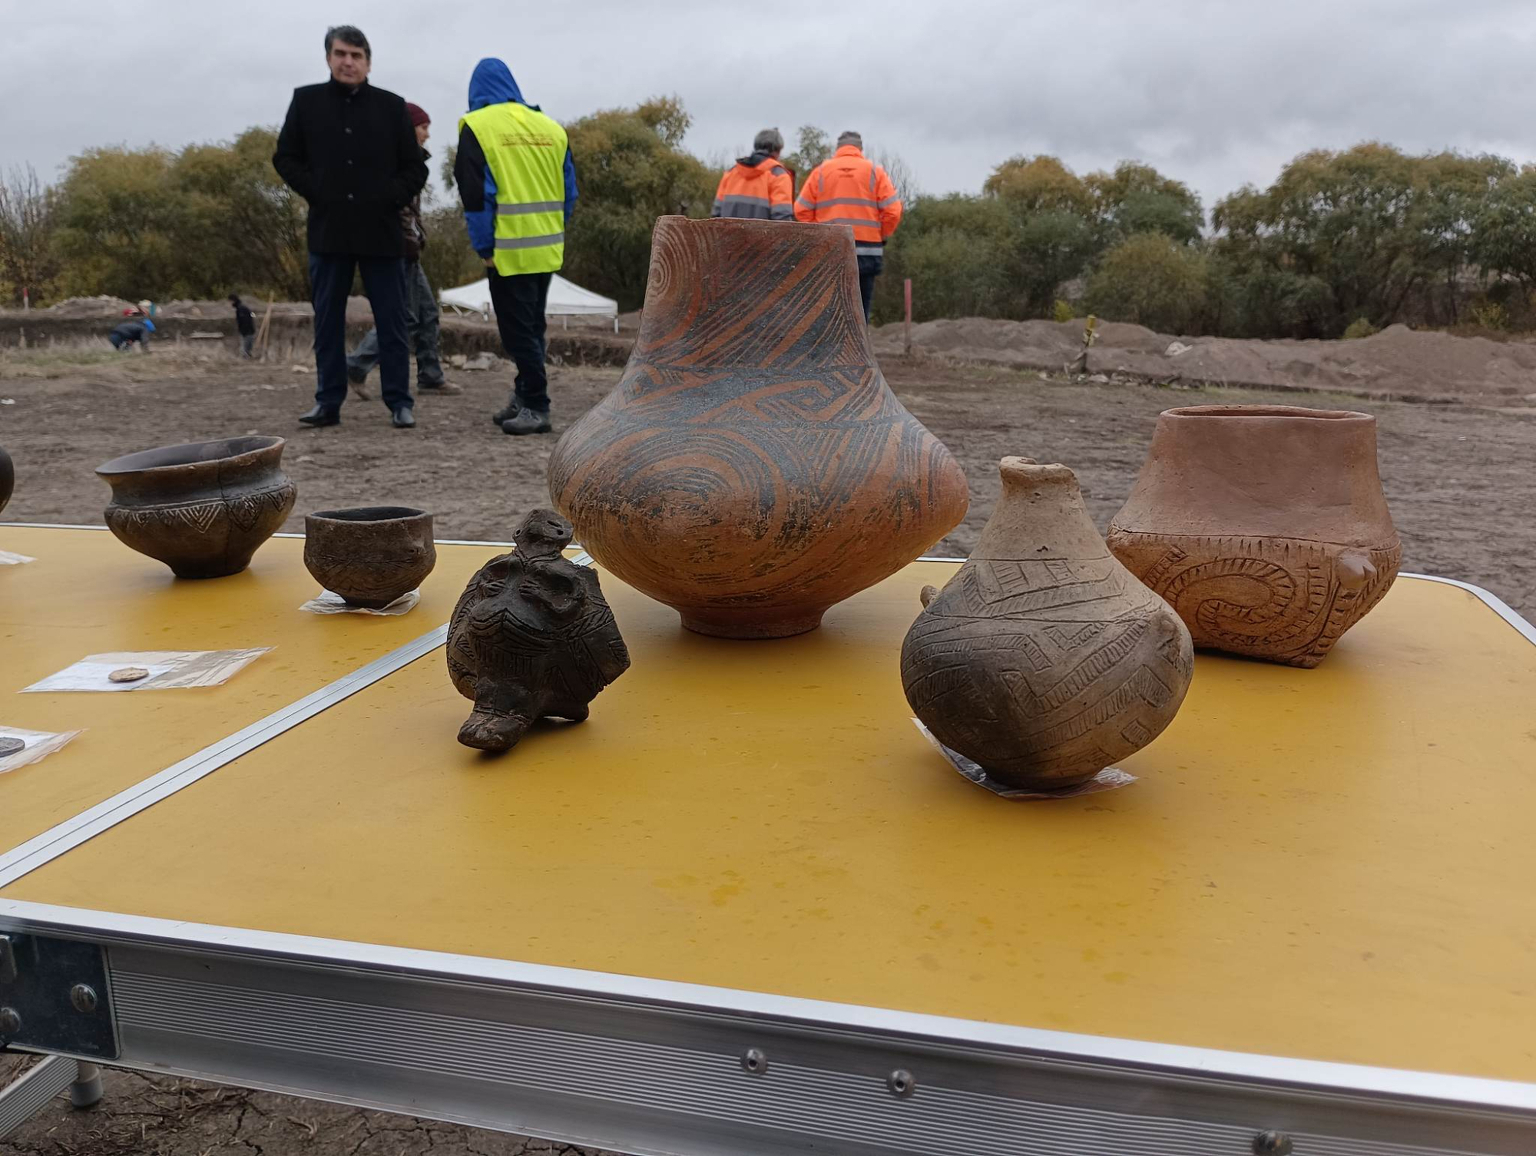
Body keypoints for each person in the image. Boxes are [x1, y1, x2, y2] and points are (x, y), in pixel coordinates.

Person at [272, 24, 428, 430]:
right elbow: (285, 158)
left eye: (357, 56)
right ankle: (327, 402)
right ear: (328, 57)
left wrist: (390, 197)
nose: (348, 62)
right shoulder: (305, 103)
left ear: (368, 62)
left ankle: (399, 401)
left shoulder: (392, 107)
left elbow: (415, 167)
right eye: (341, 53)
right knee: (327, 321)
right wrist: (317, 191)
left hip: (381, 232)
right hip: (329, 230)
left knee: (392, 321)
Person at [454, 57, 577, 436]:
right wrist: (553, 228)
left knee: (517, 334)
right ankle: (524, 396)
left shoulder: (478, 126)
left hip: (508, 251)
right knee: (532, 327)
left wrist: (484, 246)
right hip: (547, 247)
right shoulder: (551, 128)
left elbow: (474, 195)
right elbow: (569, 192)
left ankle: (537, 405)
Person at [346, 103, 457, 397]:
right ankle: (356, 365)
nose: (428, 134)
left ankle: (430, 376)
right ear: (408, 129)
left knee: (428, 313)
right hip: (397, 249)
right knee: (404, 316)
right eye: (423, 127)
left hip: (408, 248)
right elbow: (394, 210)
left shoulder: (410, 160)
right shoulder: (394, 162)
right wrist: (405, 241)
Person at [794, 131, 903, 322]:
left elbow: (801, 209)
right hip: (867, 253)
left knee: (827, 310)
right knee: (860, 310)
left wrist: (817, 236)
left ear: (838, 149)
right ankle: (858, 349)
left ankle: (828, 350)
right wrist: (881, 234)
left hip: (829, 250)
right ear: (859, 149)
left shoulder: (821, 172)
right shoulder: (874, 172)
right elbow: (893, 211)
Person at [712, 128, 793, 221]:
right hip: (762, 235)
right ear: (778, 151)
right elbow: (783, 221)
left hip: (727, 235)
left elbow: (716, 215)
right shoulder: (778, 176)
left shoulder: (730, 173)